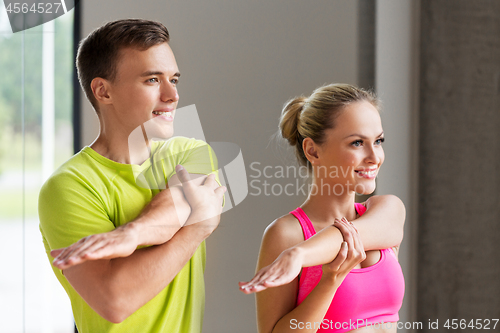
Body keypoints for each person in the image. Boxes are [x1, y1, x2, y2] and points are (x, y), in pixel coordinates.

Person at [38, 19, 225, 333]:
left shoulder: (191, 152)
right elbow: (116, 301)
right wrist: (197, 230)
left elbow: (178, 206)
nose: (172, 95)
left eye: (174, 79)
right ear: (103, 91)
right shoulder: (69, 186)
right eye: (152, 80)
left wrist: (131, 235)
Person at [239, 84, 405, 333]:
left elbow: (350, 236)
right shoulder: (287, 234)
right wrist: (330, 281)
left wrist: (299, 255)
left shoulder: (387, 211)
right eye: (357, 143)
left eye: (378, 141)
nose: (374, 156)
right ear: (312, 150)